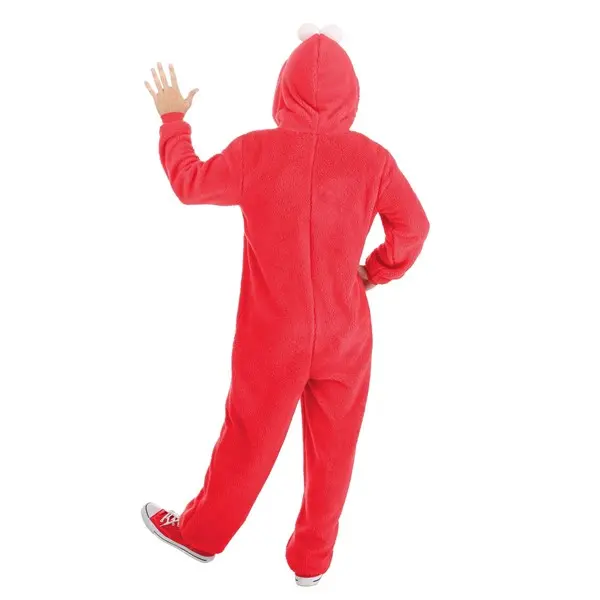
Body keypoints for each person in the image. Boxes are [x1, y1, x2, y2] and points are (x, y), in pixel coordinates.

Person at [141, 23, 430, 587]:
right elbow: (414, 227)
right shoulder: (373, 160)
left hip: (273, 337)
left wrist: (174, 121)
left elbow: (190, 183)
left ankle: (201, 535)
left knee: (247, 438)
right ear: (352, 95)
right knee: (334, 453)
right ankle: (311, 564)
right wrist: (376, 271)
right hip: (346, 336)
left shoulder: (256, 151)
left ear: (283, 89)